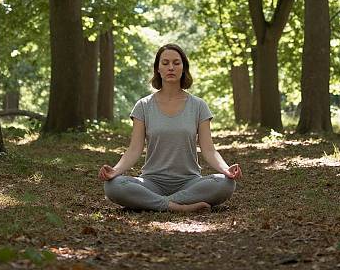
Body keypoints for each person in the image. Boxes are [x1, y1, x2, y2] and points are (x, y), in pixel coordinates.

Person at [98, 43, 243, 213]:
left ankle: (159, 203)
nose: (171, 67)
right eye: (165, 63)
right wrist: (115, 171)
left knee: (226, 183)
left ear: (184, 68)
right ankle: (175, 206)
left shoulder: (199, 106)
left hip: (190, 183)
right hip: (151, 183)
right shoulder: (143, 106)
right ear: (157, 69)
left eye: (176, 63)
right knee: (113, 186)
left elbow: (209, 150)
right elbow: (134, 150)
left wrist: (226, 169)